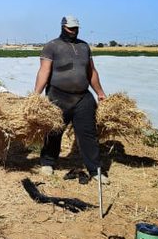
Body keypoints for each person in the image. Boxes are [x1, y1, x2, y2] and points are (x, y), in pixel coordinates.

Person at [34, 15, 109, 184]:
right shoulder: (52, 46)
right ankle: (47, 162)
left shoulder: (84, 47)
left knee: (88, 134)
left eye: (76, 29)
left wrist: (100, 92)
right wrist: (36, 95)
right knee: (54, 131)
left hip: (83, 97)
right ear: (62, 27)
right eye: (70, 29)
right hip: (58, 96)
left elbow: (91, 72)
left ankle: (95, 170)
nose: (73, 32)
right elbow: (44, 71)